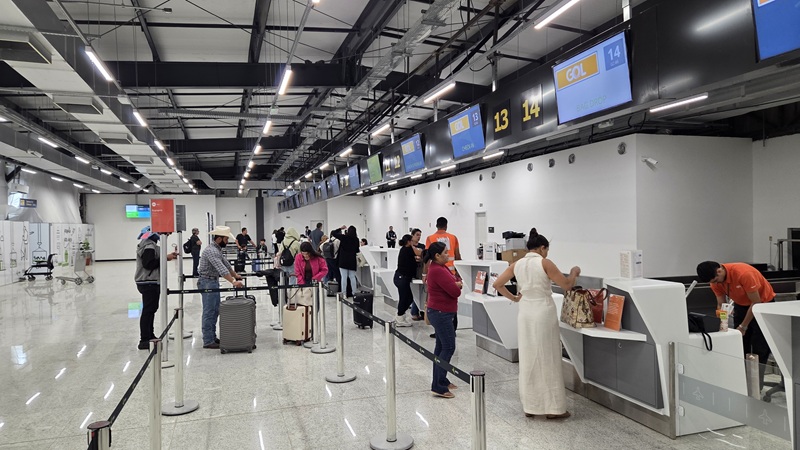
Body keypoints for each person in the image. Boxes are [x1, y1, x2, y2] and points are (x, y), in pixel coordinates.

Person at [493, 228, 579, 419]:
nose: (547, 253)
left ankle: (531, 406)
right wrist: (574, 273)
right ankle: (554, 409)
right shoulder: (544, 262)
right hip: (543, 311)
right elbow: (566, 285)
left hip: (525, 312)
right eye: (546, 249)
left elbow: (497, 284)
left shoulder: (516, 264)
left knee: (529, 357)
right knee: (548, 356)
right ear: (542, 248)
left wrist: (515, 298)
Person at [696, 261, 775, 388]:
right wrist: (722, 323)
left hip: (763, 305)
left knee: (759, 347)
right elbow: (721, 304)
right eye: (713, 282)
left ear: (719, 271)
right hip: (742, 305)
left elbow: (756, 303)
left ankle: (756, 387)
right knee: (741, 343)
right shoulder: (715, 281)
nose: (716, 284)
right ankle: (742, 383)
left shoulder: (744, 273)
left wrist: (743, 326)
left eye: (716, 280)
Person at [425, 242, 462, 398]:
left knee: (441, 347)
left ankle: (441, 379)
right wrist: (458, 285)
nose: (448, 254)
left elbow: (453, 280)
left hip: (442, 312)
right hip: (441, 313)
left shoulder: (441, 267)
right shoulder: (437, 270)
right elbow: (454, 291)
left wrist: (456, 283)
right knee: (448, 347)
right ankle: (438, 386)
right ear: (437, 256)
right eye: (445, 252)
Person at [197, 226, 244, 349]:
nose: (227, 242)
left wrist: (235, 275)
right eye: (226, 239)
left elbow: (226, 264)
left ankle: (212, 337)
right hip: (207, 282)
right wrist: (233, 281)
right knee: (209, 311)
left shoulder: (217, 249)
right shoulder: (211, 251)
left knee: (215, 310)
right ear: (218, 239)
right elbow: (221, 268)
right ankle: (208, 340)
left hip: (212, 281)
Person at [134, 226, 178, 350]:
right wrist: (165, 257)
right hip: (148, 282)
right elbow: (149, 264)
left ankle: (150, 335)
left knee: (151, 309)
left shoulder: (148, 244)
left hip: (149, 281)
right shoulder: (149, 246)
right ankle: (144, 339)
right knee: (148, 310)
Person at [424, 217, 461, 337]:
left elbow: (428, 257)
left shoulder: (430, 238)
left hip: (436, 272)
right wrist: (459, 272)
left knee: (437, 299)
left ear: (436, 225)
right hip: (451, 273)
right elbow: (458, 255)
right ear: (446, 225)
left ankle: (440, 329)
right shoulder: (453, 237)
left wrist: (425, 274)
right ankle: (452, 329)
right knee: (451, 301)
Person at [393, 234, 418, 326]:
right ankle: (400, 317)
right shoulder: (407, 250)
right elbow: (418, 253)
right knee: (404, 298)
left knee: (408, 298)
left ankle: (400, 316)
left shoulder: (406, 250)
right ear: (408, 242)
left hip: (403, 278)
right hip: (401, 278)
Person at [332, 225, 360, 298]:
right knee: (352, 277)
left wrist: (340, 228)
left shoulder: (344, 237)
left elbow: (333, 233)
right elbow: (357, 250)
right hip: (352, 260)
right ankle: (354, 293)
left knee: (343, 277)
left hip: (343, 260)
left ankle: (344, 294)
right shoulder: (356, 239)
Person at [409, 228, 425, 321]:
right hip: (413, 271)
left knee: (421, 292)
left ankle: (421, 311)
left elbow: (425, 256)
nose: (419, 237)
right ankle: (414, 312)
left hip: (421, 271)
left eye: (420, 235)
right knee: (414, 292)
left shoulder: (422, 246)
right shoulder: (409, 246)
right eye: (417, 235)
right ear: (412, 235)